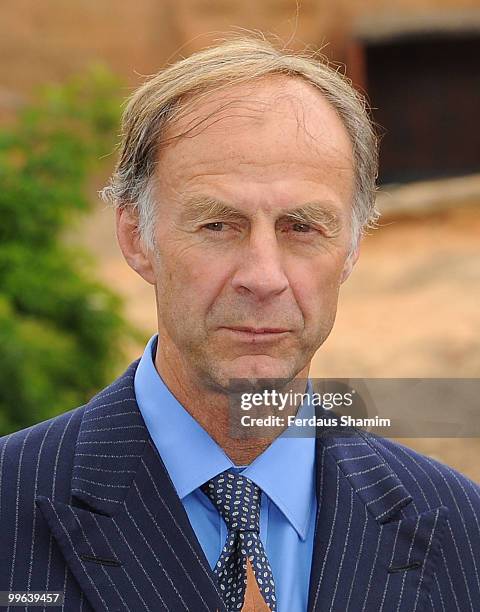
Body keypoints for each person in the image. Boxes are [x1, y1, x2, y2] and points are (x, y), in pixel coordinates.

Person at [1, 36, 479, 612]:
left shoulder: (459, 530)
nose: (263, 276)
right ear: (135, 236)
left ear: (351, 247)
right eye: (218, 225)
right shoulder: (11, 501)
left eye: (302, 226)